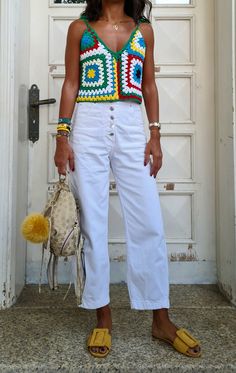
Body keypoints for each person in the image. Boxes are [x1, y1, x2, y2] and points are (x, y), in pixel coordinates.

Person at [54, 0, 201, 359]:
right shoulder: (80, 29)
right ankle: (102, 317)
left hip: (133, 125)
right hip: (87, 126)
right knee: (93, 222)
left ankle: (160, 319)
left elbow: (149, 86)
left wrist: (155, 136)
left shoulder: (143, 31)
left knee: (149, 220)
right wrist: (62, 137)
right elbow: (71, 83)